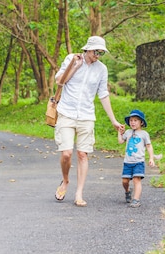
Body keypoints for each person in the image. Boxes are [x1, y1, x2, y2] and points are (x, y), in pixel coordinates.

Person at [53, 36, 124, 207]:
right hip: (67, 112)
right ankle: (65, 180)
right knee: (66, 153)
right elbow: (59, 81)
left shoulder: (102, 69)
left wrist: (113, 120)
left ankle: (79, 193)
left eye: (101, 52)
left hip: (86, 116)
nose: (98, 55)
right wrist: (75, 67)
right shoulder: (72, 59)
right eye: (96, 52)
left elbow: (103, 95)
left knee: (83, 154)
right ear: (88, 49)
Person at [118, 109, 155, 208]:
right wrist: (120, 132)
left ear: (141, 122)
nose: (132, 122)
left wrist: (151, 158)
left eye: (135, 120)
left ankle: (136, 200)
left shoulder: (144, 134)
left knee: (136, 179)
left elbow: (148, 146)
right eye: (131, 120)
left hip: (138, 162)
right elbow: (121, 141)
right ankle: (127, 191)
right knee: (125, 181)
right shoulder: (128, 132)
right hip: (127, 162)